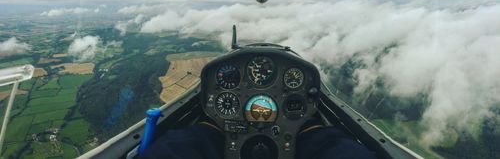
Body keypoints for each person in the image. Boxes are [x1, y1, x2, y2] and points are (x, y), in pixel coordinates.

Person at [140, 114, 377, 159]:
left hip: (218, 129)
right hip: (307, 136)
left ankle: (212, 126)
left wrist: (217, 122)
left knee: (181, 143)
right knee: (332, 145)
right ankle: (308, 129)